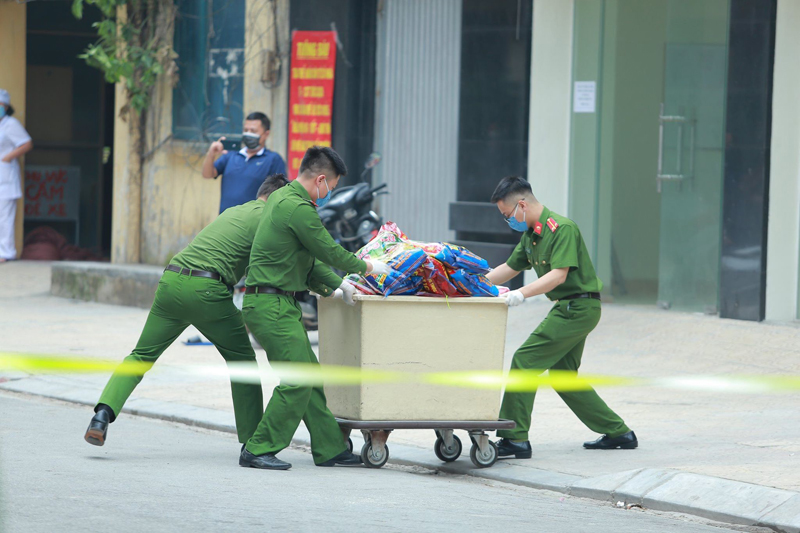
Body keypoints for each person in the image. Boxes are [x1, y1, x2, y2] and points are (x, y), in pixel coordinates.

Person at [84, 174, 292, 450]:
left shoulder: (234, 211)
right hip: (207, 289)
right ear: (278, 198)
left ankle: (102, 415)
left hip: (171, 280)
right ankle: (253, 442)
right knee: (242, 360)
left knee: (141, 355)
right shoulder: (269, 219)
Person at [239, 146, 392, 471]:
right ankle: (258, 448)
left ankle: (330, 448)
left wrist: (340, 286)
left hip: (276, 302)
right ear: (321, 179)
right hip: (271, 305)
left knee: (311, 378)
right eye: (332, 187)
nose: (329, 193)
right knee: (297, 382)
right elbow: (329, 250)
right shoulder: (297, 207)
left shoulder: (283, 200)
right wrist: (367, 267)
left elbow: (308, 265)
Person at [486, 176, 637, 458]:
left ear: (521, 205)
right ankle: (619, 433)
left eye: (507, 216)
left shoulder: (562, 228)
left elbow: (559, 275)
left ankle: (514, 439)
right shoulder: (531, 234)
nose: (508, 222)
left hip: (577, 308)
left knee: (524, 361)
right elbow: (509, 267)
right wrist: (473, 286)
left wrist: (521, 294)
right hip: (569, 308)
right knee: (563, 376)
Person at [202, 111, 287, 214]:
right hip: (225, 221)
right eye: (246, 130)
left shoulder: (273, 160)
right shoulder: (231, 155)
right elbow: (207, 174)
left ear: (266, 134)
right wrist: (211, 154)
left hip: (253, 224)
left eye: (253, 131)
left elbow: (280, 196)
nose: (248, 134)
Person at [0, 89, 33, 263]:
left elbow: (26, 144)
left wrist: (7, 158)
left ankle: (6, 253)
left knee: (4, 217)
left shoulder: (11, 124)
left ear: (5, 107)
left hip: (5, 176)